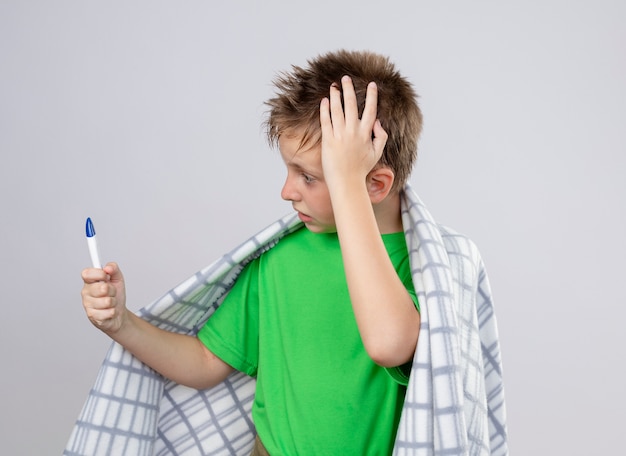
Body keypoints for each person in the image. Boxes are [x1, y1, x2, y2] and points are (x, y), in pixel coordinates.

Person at [78, 50, 507, 456]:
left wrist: (345, 181)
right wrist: (122, 324)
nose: (287, 192)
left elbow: (389, 344)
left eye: (308, 176)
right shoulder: (280, 258)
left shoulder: (429, 270)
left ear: (375, 185)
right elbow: (207, 361)